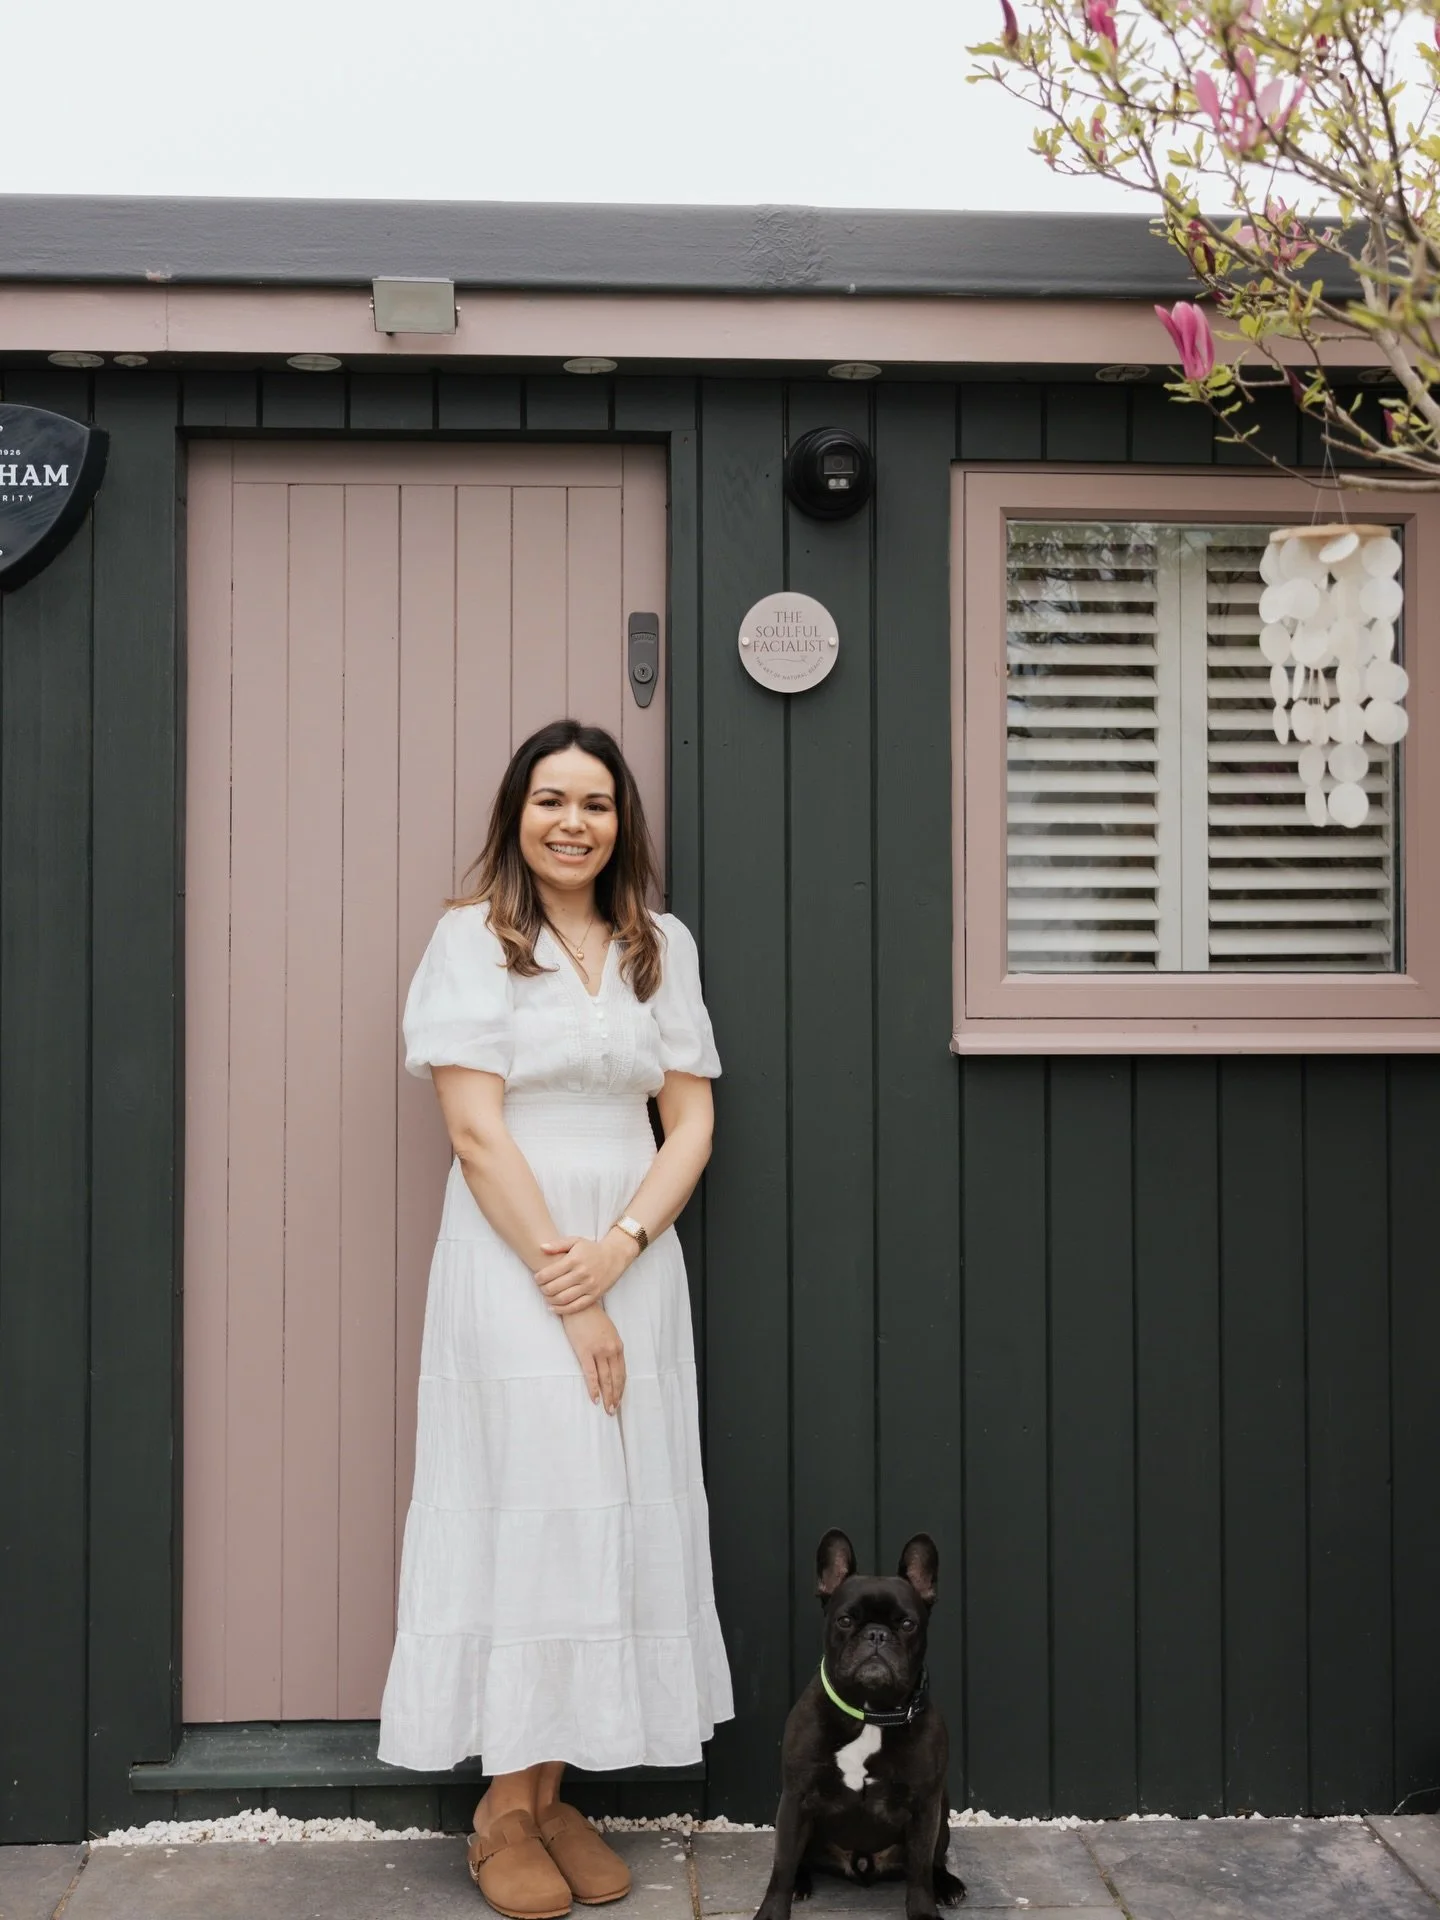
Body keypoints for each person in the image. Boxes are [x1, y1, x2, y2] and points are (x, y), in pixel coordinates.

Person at [378, 718, 733, 1918]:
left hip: (635, 1251)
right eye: (550, 800)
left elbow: (690, 1121)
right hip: (513, 1249)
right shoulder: (471, 940)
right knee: (532, 1495)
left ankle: (547, 1792)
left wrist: (623, 1246)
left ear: (621, 822)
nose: (572, 822)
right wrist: (570, 1290)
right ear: (516, 815)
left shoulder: (659, 946)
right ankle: (502, 1810)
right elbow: (475, 1132)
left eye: (595, 802)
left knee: (607, 1504)